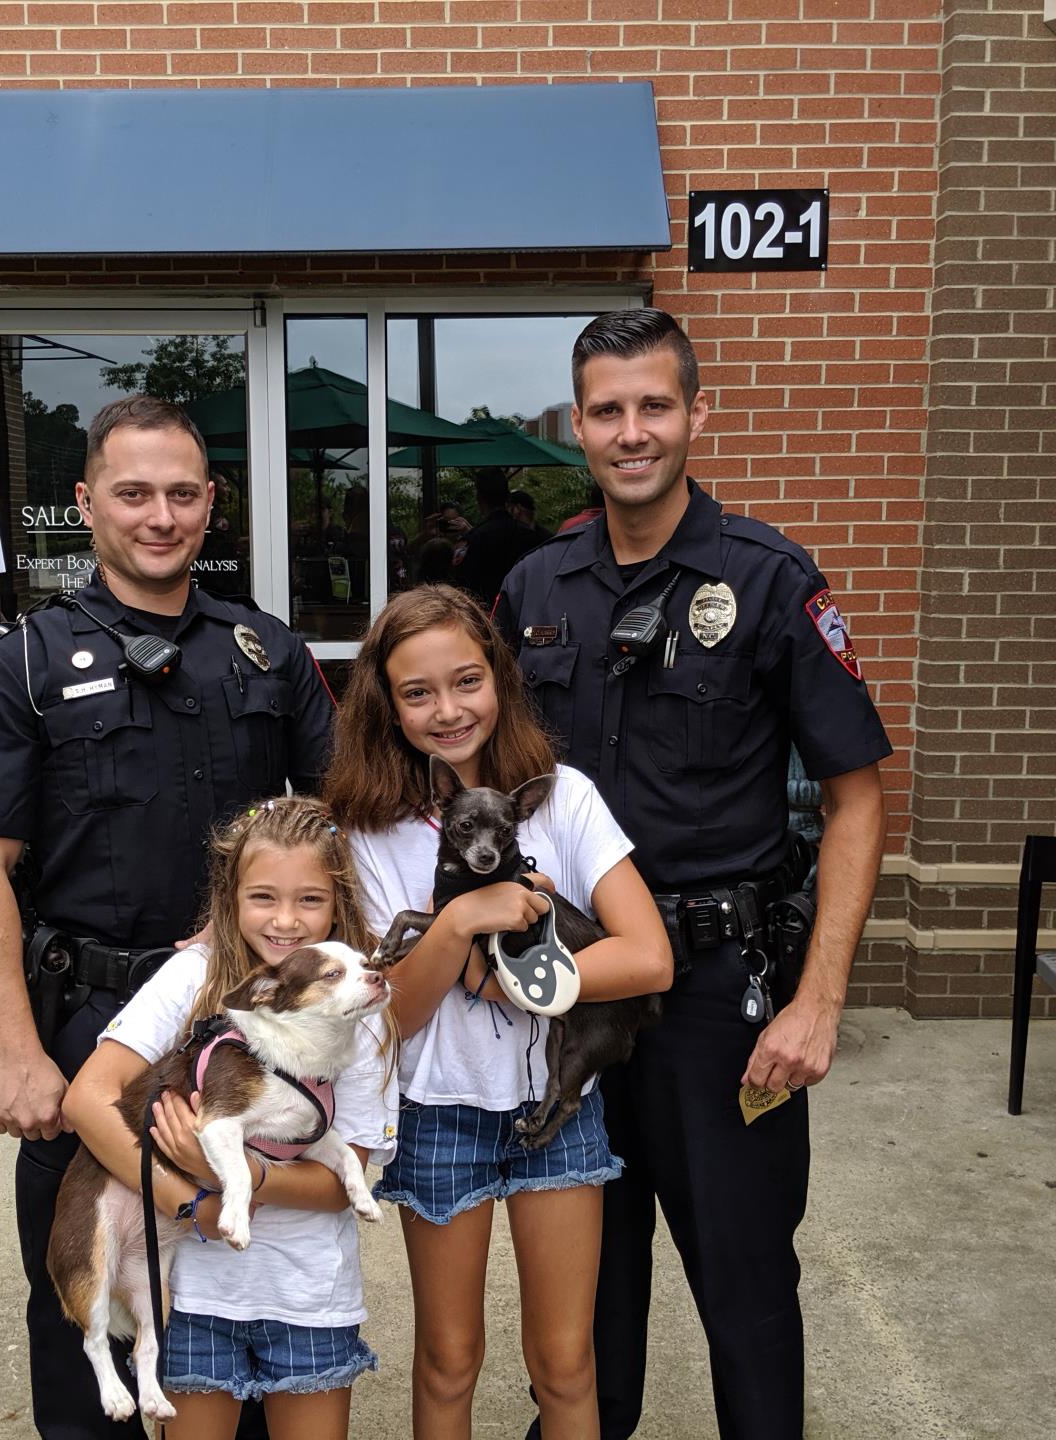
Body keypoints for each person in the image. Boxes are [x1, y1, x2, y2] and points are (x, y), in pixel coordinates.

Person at [496, 309, 891, 1440]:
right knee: (586, 1301)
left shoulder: (766, 581)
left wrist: (819, 1004)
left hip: (723, 1001)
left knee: (749, 1294)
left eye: (654, 406)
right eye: (608, 410)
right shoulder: (533, 591)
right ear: (578, 426)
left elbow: (858, 795)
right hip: (578, 991)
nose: (633, 432)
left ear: (696, 415)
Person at [0, 393, 334, 1440]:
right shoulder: (21, 663)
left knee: (232, 1291)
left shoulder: (267, 653)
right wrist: (15, 1052)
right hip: (89, 1029)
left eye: (183, 493)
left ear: (212, 504)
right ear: (86, 500)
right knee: (91, 1301)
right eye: (133, 492)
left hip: (236, 1033)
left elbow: (343, 826)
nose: (161, 515)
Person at [325, 584, 673, 1440]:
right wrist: (460, 921)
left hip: (561, 1119)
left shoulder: (562, 800)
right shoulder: (369, 831)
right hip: (440, 1115)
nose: (448, 710)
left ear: (501, 680)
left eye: (467, 680)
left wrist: (521, 978)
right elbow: (393, 1017)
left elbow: (648, 957)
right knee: (449, 1361)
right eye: (417, 692)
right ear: (387, 704)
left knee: (567, 1364)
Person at [63, 797, 398, 1439]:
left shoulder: (362, 1008)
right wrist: (193, 1202)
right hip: (192, 1295)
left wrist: (244, 1177)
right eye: (263, 897)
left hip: (308, 1294)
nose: (286, 920)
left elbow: (342, 1182)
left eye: (310, 900)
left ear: (339, 904)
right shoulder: (193, 978)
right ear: (231, 897)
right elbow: (87, 1100)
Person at [452, 469, 542, 606]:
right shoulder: (532, 537)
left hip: (485, 613)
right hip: (524, 612)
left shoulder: (474, 539)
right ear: (507, 497)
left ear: (479, 498)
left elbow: (461, 585)